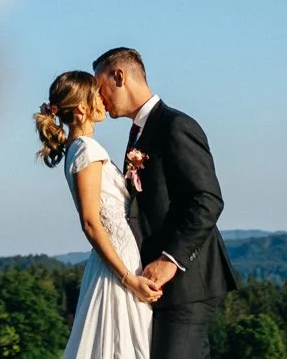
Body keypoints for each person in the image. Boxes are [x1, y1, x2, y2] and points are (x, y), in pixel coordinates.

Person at [92, 48, 237, 359]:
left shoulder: (175, 125)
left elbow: (207, 199)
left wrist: (170, 260)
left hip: (187, 280)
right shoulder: (139, 134)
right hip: (156, 285)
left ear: (119, 76)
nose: (98, 97)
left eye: (99, 86)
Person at [36, 70, 157, 359]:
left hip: (118, 259)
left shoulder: (77, 148)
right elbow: (90, 223)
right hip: (119, 264)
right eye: (96, 96)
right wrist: (129, 278)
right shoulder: (86, 150)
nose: (103, 100)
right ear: (81, 109)